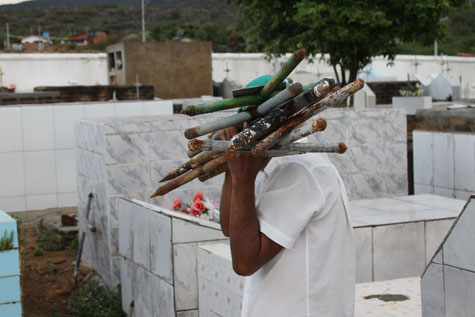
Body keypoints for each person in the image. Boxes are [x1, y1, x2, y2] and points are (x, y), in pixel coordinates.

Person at [219, 125, 355, 317]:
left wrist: (243, 179)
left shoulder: (298, 169)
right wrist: (232, 167)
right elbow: (230, 229)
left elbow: (244, 263)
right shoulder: (279, 166)